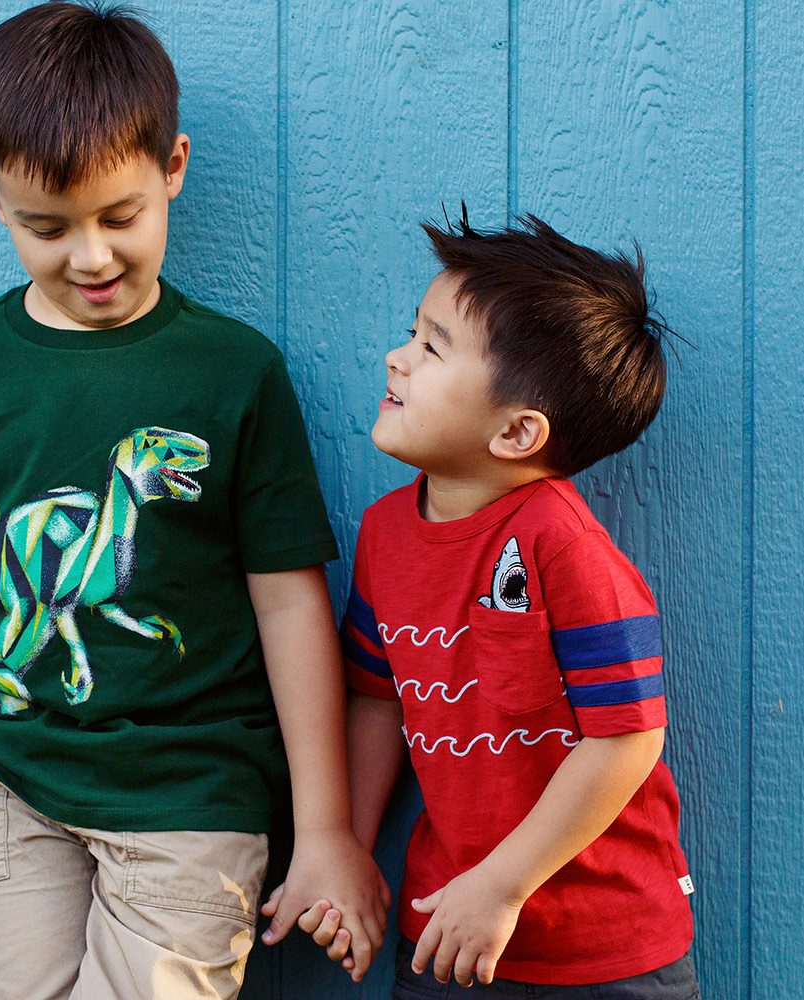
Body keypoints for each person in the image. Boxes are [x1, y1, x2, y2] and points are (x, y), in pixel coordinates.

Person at [0, 5, 388, 997]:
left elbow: (290, 604)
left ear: (173, 167)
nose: (92, 257)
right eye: (46, 228)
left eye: (120, 216)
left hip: (190, 792)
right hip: (6, 782)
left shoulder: (233, 371)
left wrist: (324, 828)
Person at [287, 211, 700, 997]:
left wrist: (501, 886)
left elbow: (627, 739)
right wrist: (348, 849)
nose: (397, 358)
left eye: (431, 348)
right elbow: (376, 700)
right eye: (412, 334)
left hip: (607, 946)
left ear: (516, 432)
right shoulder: (385, 535)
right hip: (446, 932)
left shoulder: (560, 546)